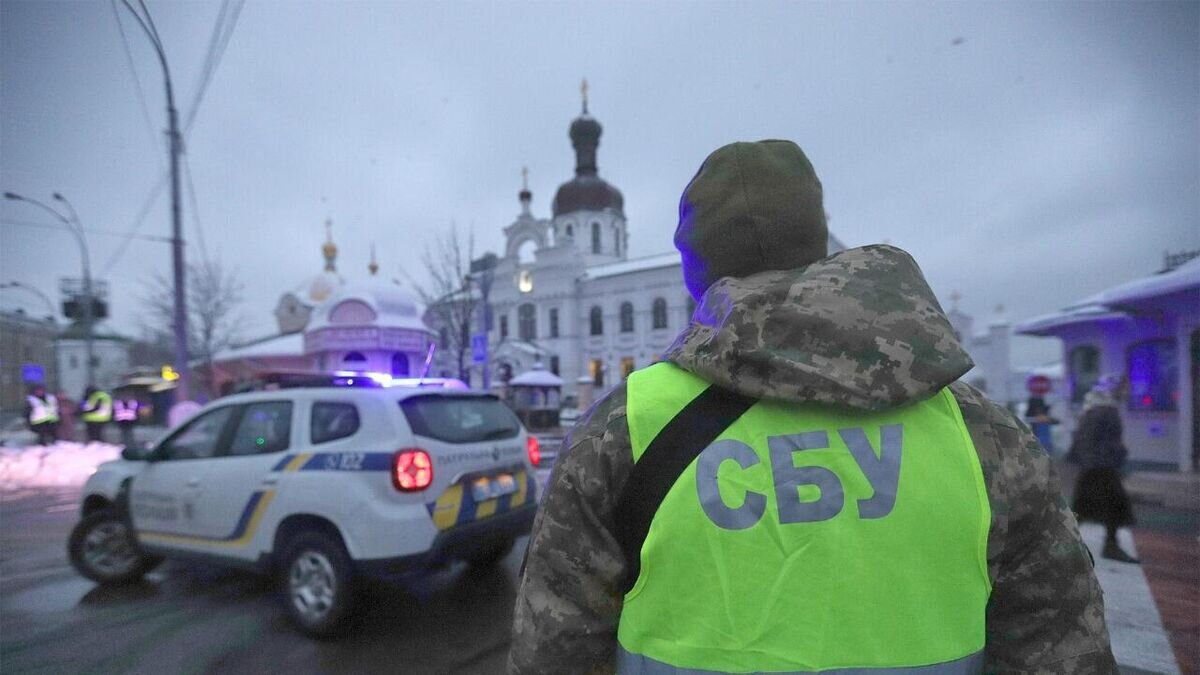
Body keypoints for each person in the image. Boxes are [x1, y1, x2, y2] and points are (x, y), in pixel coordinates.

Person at [510, 140, 1116, 673]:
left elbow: (555, 645)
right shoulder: (982, 436)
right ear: (818, 248)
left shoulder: (623, 429)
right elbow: (1060, 646)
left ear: (696, 273)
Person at [1069, 375, 1139, 563]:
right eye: (1123, 388)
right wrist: (1100, 462)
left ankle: (1060, 545)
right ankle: (1110, 546)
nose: (1126, 392)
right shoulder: (1103, 410)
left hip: (1098, 466)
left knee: (1084, 508)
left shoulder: (1099, 408)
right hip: (1100, 467)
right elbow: (1088, 440)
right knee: (1114, 505)